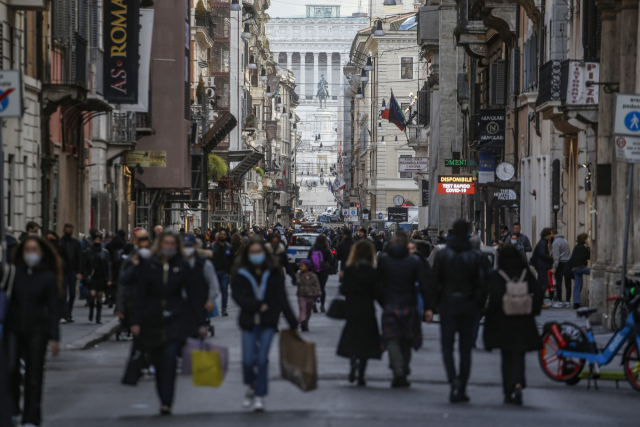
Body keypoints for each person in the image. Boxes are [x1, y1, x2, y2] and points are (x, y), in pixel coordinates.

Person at [130, 232, 206, 415]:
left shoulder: (182, 265)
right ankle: (162, 396)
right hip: (153, 319)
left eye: (172, 243)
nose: (169, 246)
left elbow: (194, 295)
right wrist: (135, 321)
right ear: (159, 244)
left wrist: (201, 323)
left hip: (176, 318)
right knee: (158, 361)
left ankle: (167, 402)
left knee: (170, 359)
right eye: (166, 243)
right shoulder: (149, 265)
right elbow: (139, 295)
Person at [231, 236, 298, 412]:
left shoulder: (274, 272)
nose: (256, 255)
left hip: (269, 321)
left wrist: (293, 322)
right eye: (252, 252)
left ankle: (260, 396)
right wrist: (256, 305)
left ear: (264, 253)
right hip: (248, 320)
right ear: (247, 254)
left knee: (261, 360)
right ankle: (252, 384)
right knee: (247, 361)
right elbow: (237, 296)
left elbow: (282, 298)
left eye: (258, 252)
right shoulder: (241, 272)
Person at [426, 219, 488, 403]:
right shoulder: (476, 256)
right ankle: (462, 384)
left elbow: (434, 282)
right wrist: (478, 304)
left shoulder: (444, 255)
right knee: (465, 349)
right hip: (468, 305)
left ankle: (452, 379)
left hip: (448, 304)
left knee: (447, 346)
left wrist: (432, 306)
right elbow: (483, 284)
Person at [4, 236, 62, 427]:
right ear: (22, 252)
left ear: (41, 252)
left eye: (34, 249)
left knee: (34, 375)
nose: (31, 253)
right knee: (11, 369)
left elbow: (54, 308)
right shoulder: (14, 274)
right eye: (27, 249)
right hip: (13, 328)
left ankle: (32, 417)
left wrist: (54, 336)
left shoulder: (47, 277)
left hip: (38, 330)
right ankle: (12, 410)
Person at [483, 245, 542, 405]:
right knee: (519, 355)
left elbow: (494, 301)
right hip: (523, 320)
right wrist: (534, 310)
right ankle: (518, 383)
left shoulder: (496, 275)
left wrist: (490, 320)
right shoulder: (525, 273)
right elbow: (539, 290)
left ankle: (507, 391)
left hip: (503, 321)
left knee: (506, 356)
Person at [378, 230, 428, 388]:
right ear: (407, 244)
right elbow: (424, 285)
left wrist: (383, 301)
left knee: (392, 339)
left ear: (393, 241)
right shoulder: (414, 261)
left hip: (390, 303)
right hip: (409, 304)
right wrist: (429, 306)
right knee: (407, 339)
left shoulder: (384, 260)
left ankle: (398, 370)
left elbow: (377, 284)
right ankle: (403, 369)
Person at [337, 239, 382, 386]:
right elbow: (377, 293)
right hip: (367, 309)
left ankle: (352, 361)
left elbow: (343, 290)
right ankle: (361, 374)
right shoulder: (372, 271)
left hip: (352, 308)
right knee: (366, 342)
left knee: (352, 338)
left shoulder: (350, 270)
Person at [182, 233, 220, 329]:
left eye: (189, 245)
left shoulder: (204, 263)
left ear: (195, 245)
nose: (187, 248)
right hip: (181, 304)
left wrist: (210, 300)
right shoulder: (177, 263)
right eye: (185, 246)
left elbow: (213, 283)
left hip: (200, 303)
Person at [81, 231, 112, 324]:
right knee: (92, 294)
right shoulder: (89, 251)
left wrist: (109, 278)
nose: (97, 241)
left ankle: (98, 317)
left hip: (101, 276)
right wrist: (84, 274)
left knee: (99, 296)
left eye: (99, 239)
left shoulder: (105, 252)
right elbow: (85, 264)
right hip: (92, 275)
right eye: (96, 239)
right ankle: (91, 311)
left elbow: (108, 266)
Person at [60, 223, 83, 322]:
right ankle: (65, 313)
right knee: (64, 293)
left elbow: (80, 257)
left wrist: (80, 271)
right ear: (63, 230)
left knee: (73, 293)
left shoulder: (76, 243)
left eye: (70, 230)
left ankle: (69, 311)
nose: (69, 232)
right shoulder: (60, 242)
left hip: (73, 270)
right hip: (64, 271)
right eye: (67, 230)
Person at [306, 233, 334, 313]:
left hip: (314, 270)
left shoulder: (313, 249)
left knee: (314, 287)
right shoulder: (326, 250)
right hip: (323, 271)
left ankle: (314, 303)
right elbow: (331, 261)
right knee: (322, 288)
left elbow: (308, 259)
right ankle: (322, 306)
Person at [211, 229, 234, 316]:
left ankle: (224, 309)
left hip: (224, 273)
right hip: (214, 272)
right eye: (221, 234)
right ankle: (212, 309)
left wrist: (229, 272)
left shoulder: (228, 247)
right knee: (213, 291)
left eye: (224, 234)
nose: (222, 236)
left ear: (226, 236)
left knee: (224, 291)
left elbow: (232, 260)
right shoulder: (213, 246)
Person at [294, 259, 321, 332]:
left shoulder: (313, 276)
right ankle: (302, 320)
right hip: (301, 295)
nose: (300, 267)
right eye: (300, 266)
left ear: (307, 267)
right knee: (302, 308)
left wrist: (317, 294)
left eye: (302, 266)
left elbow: (316, 285)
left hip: (310, 295)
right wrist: (296, 279)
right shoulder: (298, 275)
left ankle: (305, 321)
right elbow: (295, 282)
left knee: (308, 310)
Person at [531, 228, 554, 309]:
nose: (551, 236)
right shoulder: (543, 243)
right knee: (546, 283)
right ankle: (539, 302)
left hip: (540, 266)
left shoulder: (542, 242)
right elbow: (542, 253)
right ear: (546, 235)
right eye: (550, 234)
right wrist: (551, 258)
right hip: (542, 266)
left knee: (539, 285)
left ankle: (536, 301)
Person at [551, 230, 572, 308]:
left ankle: (559, 301)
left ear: (552, 234)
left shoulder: (555, 242)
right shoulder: (565, 240)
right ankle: (567, 301)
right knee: (568, 283)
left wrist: (554, 268)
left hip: (560, 264)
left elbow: (556, 257)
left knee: (559, 283)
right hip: (568, 263)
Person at [570, 233, 591, 309]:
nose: (587, 240)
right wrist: (589, 248)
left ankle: (576, 303)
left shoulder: (576, 247)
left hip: (575, 268)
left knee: (577, 285)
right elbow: (588, 256)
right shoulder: (582, 247)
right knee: (594, 272)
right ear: (584, 239)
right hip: (580, 267)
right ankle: (591, 290)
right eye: (586, 238)